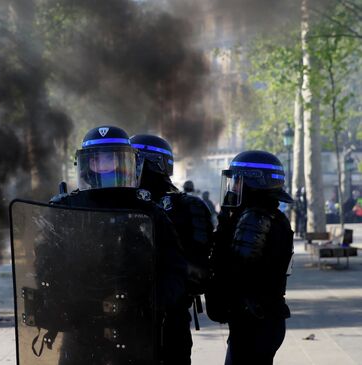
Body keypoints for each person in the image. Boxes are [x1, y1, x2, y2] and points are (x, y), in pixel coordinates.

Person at [46, 126, 187, 364]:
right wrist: (54, 302)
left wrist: (153, 303)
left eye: (111, 158)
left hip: (133, 327)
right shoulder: (67, 209)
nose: (104, 165)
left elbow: (174, 268)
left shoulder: (148, 210)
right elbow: (47, 263)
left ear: (127, 161)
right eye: (97, 159)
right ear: (86, 163)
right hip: (82, 328)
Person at [130, 134, 214, 365]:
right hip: (127, 316)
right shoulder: (118, 203)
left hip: (168, 316)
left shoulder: (189, 207)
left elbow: (198, 272)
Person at [205, 150, 294, 365]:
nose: (234, 188)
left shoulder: (254, 218)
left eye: (238, 181)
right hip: (266, 317)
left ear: (254, 182)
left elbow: (236, 270)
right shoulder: (274, 215)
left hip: (253, 320)